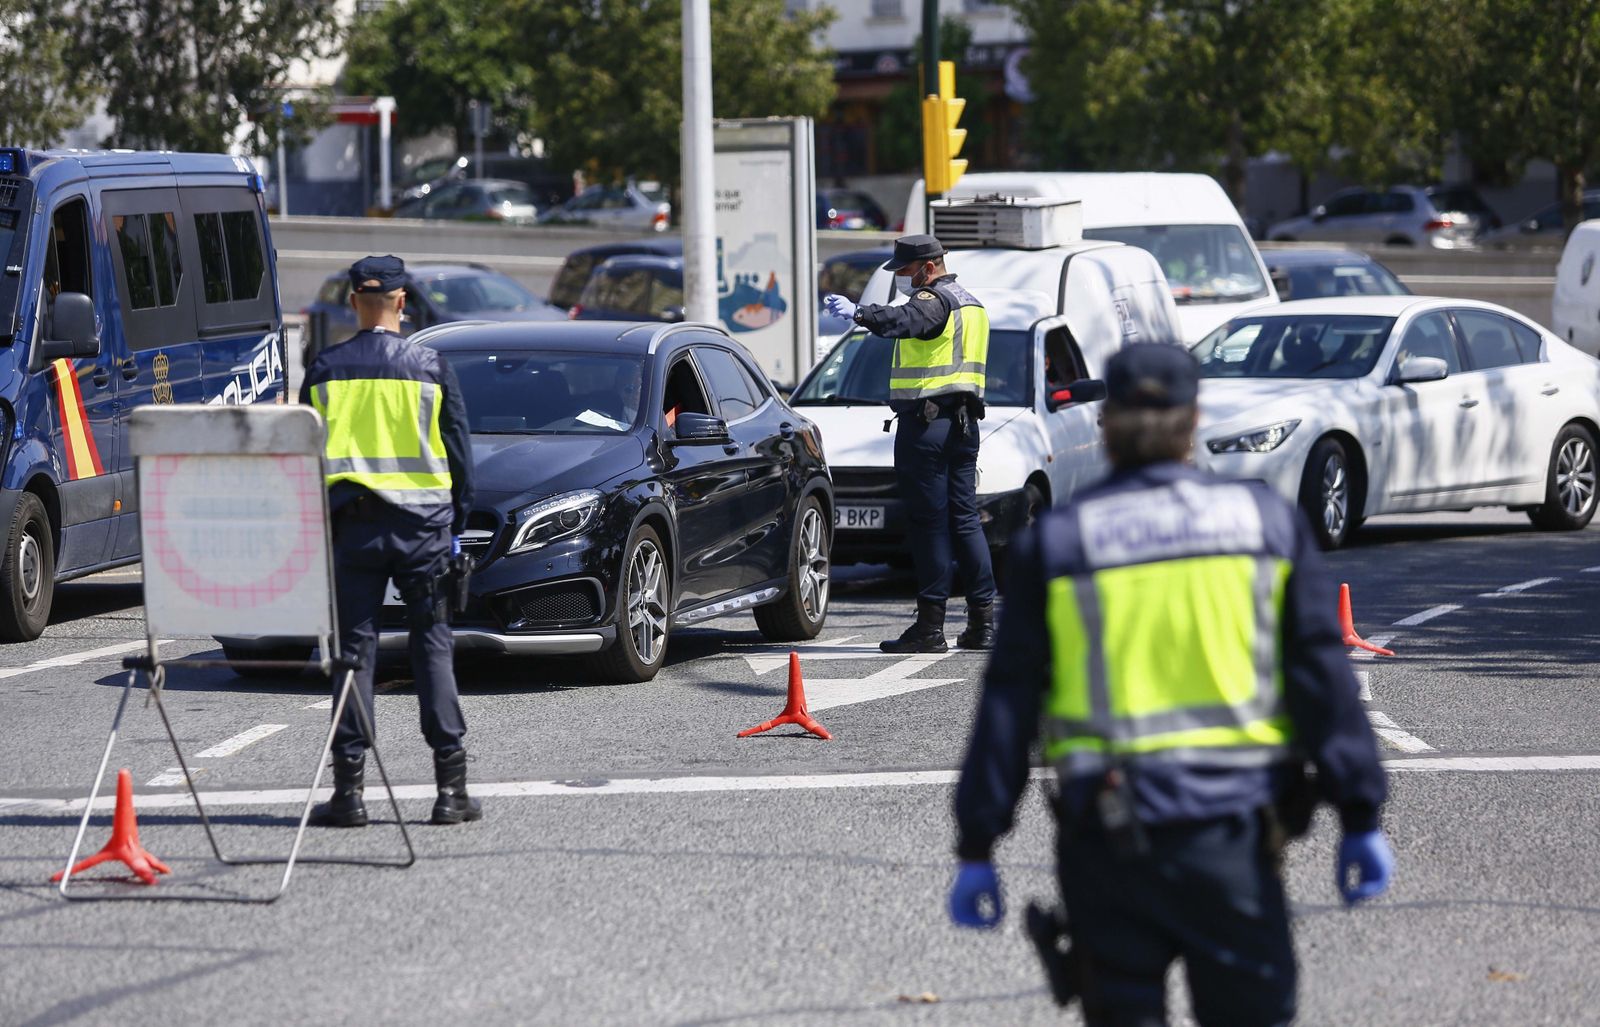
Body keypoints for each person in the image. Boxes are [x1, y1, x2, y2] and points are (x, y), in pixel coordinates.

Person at [947, 343, 1392, 1026]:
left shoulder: (1062, 542)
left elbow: (1009, 703)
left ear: (1107, 424)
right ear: (1193, 421)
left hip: (1109, 843)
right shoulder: (1265, 526)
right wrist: (1358, 812)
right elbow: (1321, 682)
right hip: (1235, 841)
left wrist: (979, 843)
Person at [299, 254, 482, 828]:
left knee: (353, 654)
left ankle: (349, 794)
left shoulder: (325, 368)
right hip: (423, 530)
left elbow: (301, 454)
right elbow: (459, 456)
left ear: (354, 301)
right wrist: (457, 519)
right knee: (432, 647)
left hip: (351, 527)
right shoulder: (430, 366)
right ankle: (451, 791)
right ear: (403, 302)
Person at [822, 235, 996, 653]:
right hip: (963, 425)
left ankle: (930, 627)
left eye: (904, 270)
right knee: (965, 521)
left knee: (929, 525)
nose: (900, 277)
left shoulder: (934, 300)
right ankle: (982, 624)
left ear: (928, 266)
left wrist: (860, 314)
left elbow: (907, 320)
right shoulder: (972, 304)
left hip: (927, 425)